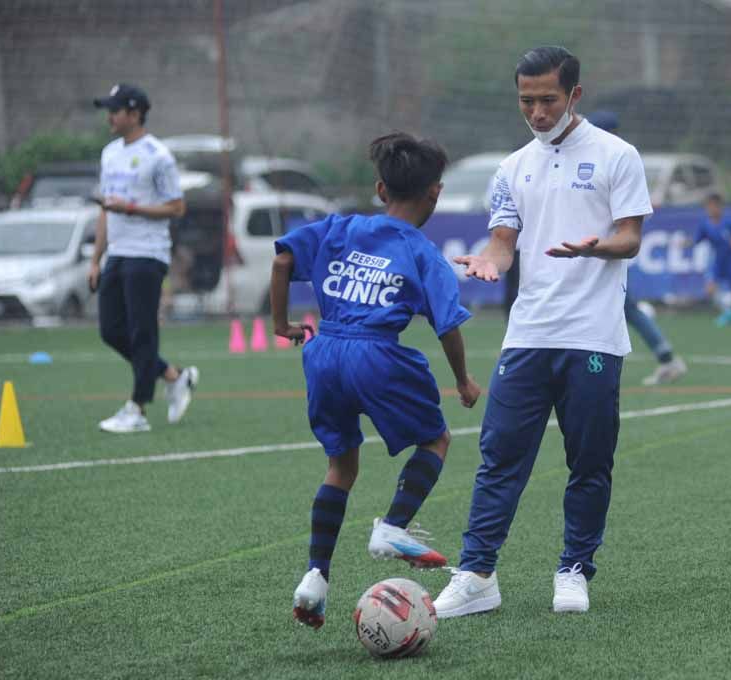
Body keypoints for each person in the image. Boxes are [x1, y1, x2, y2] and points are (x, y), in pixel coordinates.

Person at [435, 45, 652, 617]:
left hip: (593, 336)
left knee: (589, 460)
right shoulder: (511, 168)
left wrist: (598, 246)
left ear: (574, 95)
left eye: (547, 100)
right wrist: (489, 263)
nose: (535, 112)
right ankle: (478, 574)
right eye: (526, 101)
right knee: (499, 454)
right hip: (528, 334)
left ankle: (574, 569)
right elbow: (503, 242)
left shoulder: (618, 155)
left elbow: (630, 237)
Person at [271, 132, 482, 629]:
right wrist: (464, 381)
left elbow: (282, 259)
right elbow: (448, 325)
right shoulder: (423, 253)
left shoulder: (339, 227)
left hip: (322, 353)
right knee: (436, 438)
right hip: (376, 354)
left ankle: (315, 579)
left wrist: (281, 326)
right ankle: (392, 526)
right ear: (435, 193)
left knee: (341, 466)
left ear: (381, 190)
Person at [88, 83, 198, 433]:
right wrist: (95, 258)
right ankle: (173, 376)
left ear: (135, 114)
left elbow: (177, 206)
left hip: (147, 254)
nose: (110, 116)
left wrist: (132, 208)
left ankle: (137, 409)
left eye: (116, 110)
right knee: (110, 330)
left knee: (142, 333)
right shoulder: (109, 154)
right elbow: (106, 209)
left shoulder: (158, 155)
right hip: (117, 254)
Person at [586, 109, 687, 384]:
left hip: (604, 252)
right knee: (624, 308)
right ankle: (665, 357)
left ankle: (664, 358)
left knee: (624, 308)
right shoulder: (609, 160)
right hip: (600, 252)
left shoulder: (615, 160)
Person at [694, 193, 731, 327]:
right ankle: (729, 312)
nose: (711, 209)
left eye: (714, 206)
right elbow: (696, 240)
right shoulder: (705, 225)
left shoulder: (729, 221)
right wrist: (684, 243)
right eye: (708, 207)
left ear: (720, 207)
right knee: (710, 288)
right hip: (718, 260)